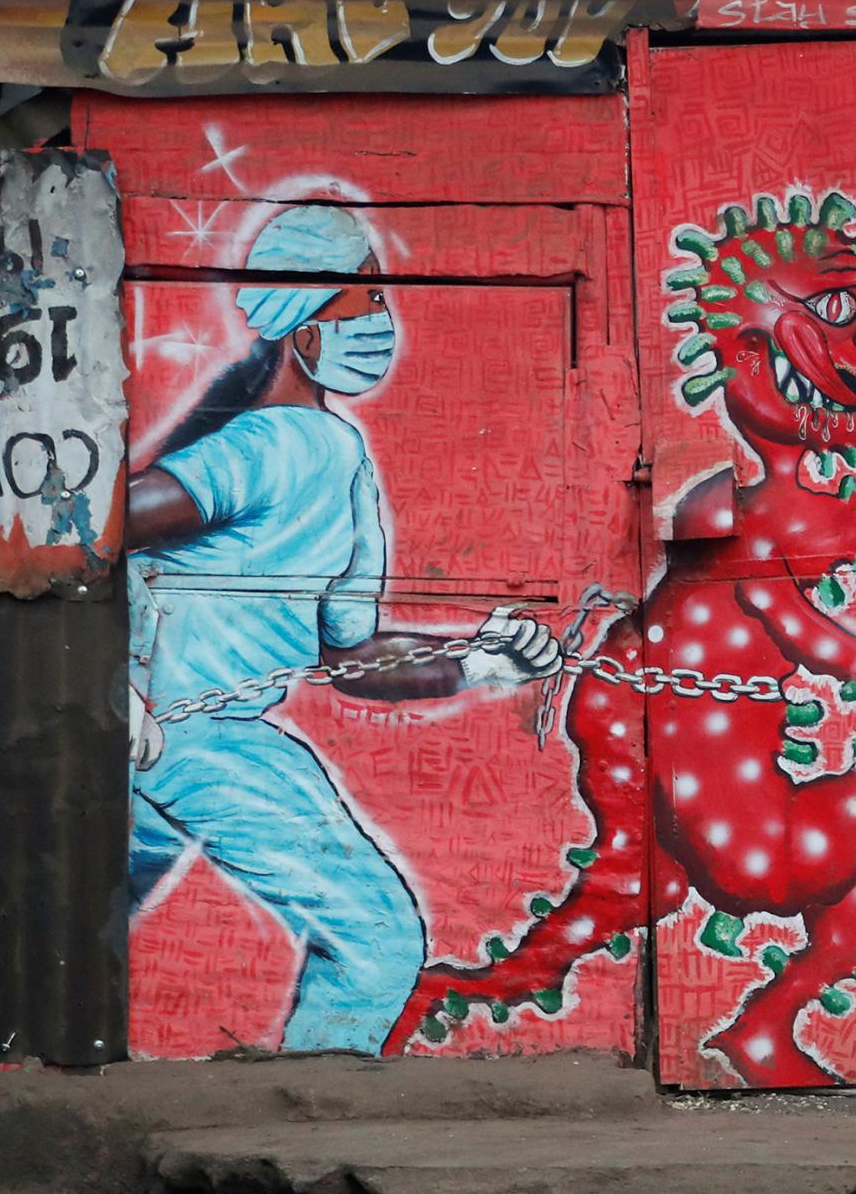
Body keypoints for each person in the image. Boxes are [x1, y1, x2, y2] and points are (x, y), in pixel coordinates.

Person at [124, 204, 562, 1055]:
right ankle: (303, 1113)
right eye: (361, 297)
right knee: (376, 938)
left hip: (175, 737)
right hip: (196, 739)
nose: (379, 319)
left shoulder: (337, 454)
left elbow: (351, 658)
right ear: (303, 327)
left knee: (54, 923)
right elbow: (94, 523)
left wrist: (478, 659)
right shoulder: (283, 443)